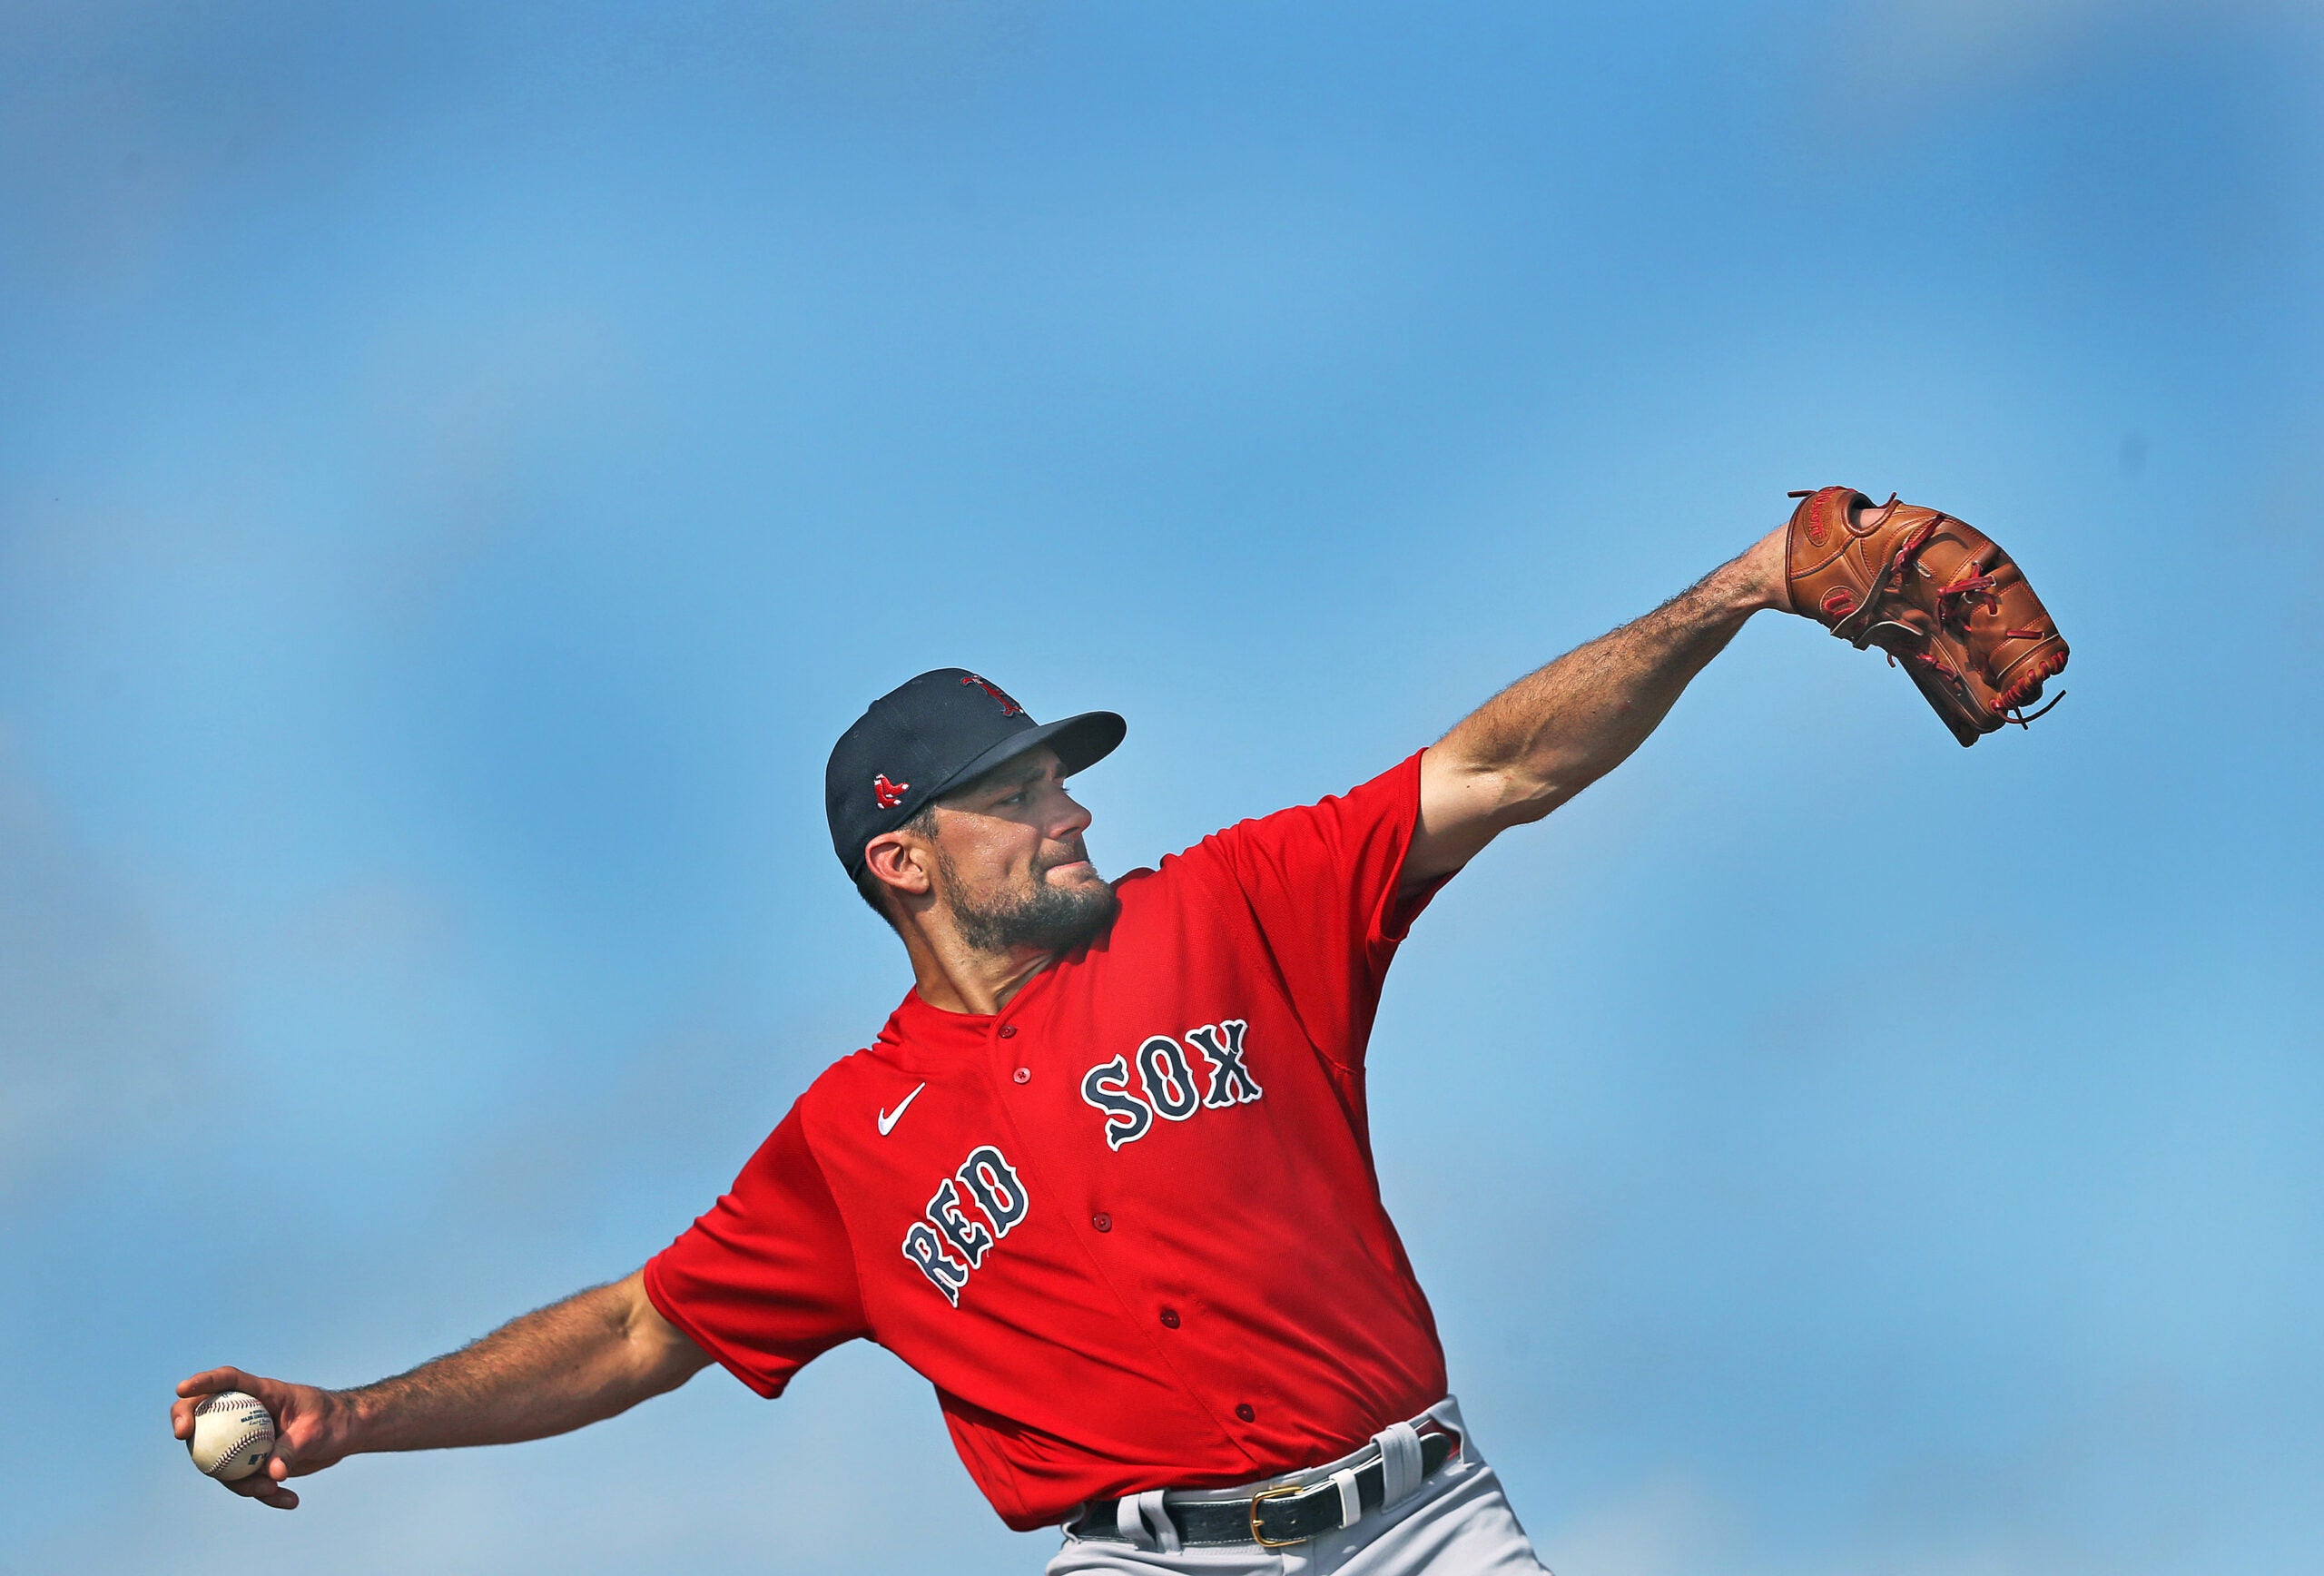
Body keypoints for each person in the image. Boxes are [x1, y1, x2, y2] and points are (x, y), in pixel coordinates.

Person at [175, 518, 1799, 1571]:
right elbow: (629, 1334)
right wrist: (357, 1414)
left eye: (1058, 780)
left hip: (1420, 1524)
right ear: (906, 860)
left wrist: (1741, 589)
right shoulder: (849, 1144)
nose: (1069, 807)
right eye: (1015, 795)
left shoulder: (1227, 909)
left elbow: (1503, 772)